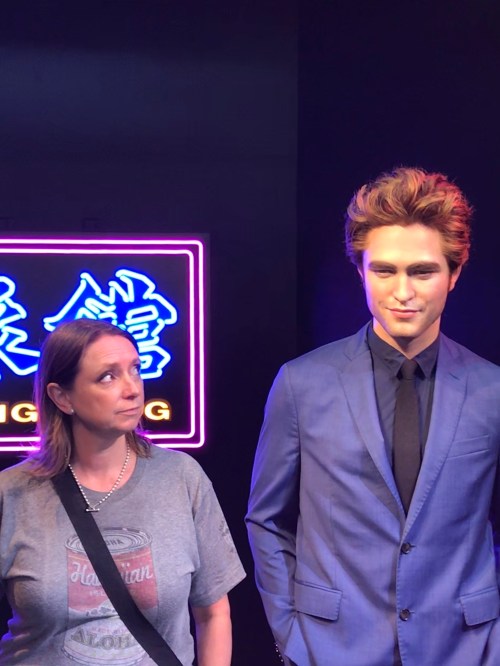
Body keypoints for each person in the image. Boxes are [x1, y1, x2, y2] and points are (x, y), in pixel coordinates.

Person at [246, 167, 500, 666]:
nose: (402, 291)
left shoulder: (491, 390)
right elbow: (267, 520)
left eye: (422, 271)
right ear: (361, 272)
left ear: (454, 274)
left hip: (463, 649)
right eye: (384, 270)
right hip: (331, 649)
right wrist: (290, 634)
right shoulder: (302, 383)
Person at [0, 318, 245, 665]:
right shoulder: (13, 493)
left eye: (136, 369)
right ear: (62, 396)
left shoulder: (181, 477)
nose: (132, 389)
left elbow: (214, 613)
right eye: (108, 376)